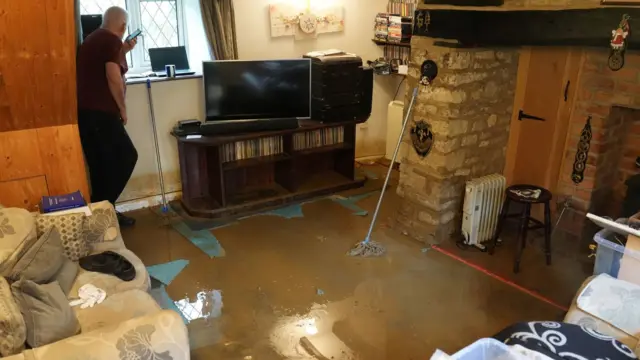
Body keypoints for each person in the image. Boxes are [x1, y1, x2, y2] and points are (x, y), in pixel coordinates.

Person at [77, 6, 138, 227]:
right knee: (127, 157)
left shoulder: (93, 39)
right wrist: (122, 108)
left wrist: (124, 51)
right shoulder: (112, 41)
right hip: (102, 114)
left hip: (84, 115)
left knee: (100, 166)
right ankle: (102, 209)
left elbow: (103, 62)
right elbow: (113, 76)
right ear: (123, 26)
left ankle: (104, 213)